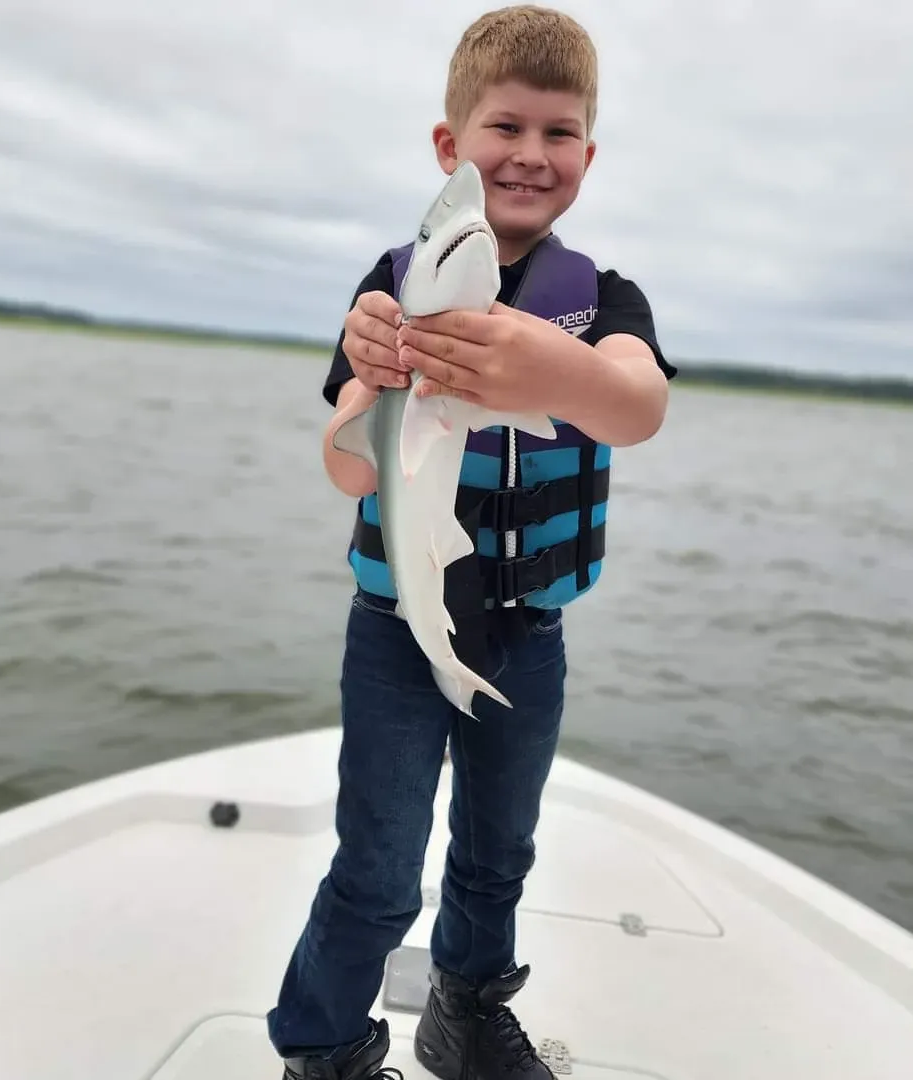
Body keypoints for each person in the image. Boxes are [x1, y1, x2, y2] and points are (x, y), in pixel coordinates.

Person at [266, 6, 677, 1079]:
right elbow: (350, 469)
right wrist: (375, 373)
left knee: (498, 855)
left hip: (526, 633)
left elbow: (634, 409)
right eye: (505, 128)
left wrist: (551, 369)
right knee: (380, 869)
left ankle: (464, 1013)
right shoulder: (387, 295)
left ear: (588, 153)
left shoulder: (603, 300)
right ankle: (322, 1049)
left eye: (558, 133)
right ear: (450, 147)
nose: (530, 156)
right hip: (399, 628)